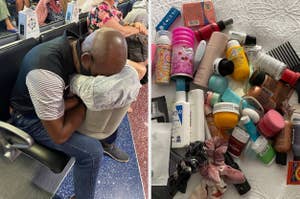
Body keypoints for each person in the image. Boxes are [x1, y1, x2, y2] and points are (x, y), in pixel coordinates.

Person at [10, 27, 128, 199]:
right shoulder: (46, 72)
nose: (100, 81)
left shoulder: (74, 47)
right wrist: (85, 103)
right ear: (86, 59)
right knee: (92, 152)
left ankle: (107, 143)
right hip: (29, 118)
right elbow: (59, 135)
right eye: (101, 76)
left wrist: (79, 102)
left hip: (53, 104)